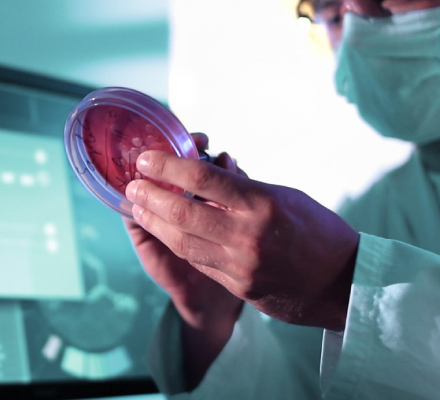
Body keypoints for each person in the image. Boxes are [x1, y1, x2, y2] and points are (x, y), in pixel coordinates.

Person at [123, 0, 440, 399]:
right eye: (331, 11)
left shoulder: (347, 250)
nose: (356, 18)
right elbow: (302, 391)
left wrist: (344, 286)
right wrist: (212, 312)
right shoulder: (379, 214)